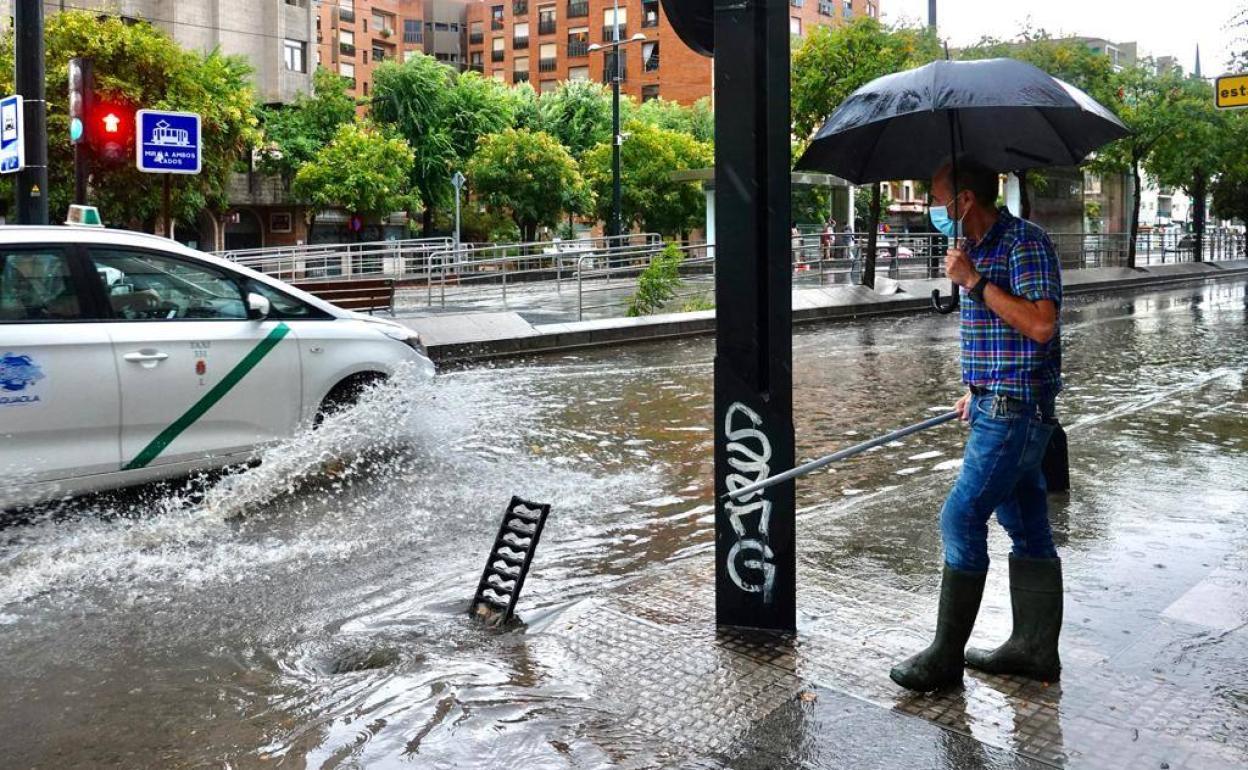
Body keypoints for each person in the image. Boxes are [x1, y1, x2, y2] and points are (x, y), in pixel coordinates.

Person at [889, 155, 1064, 692]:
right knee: (1027, 523)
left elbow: (1040, 326)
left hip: (1016, 411)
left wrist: (974, 281)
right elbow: (998, 337)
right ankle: (1033, 650)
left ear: (964, 201)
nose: (934, 208)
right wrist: (975, 388)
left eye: (939, 198)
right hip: (996, 402)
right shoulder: (975, 249)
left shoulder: (1022, 243)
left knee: (960, 518)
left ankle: (945, 657)